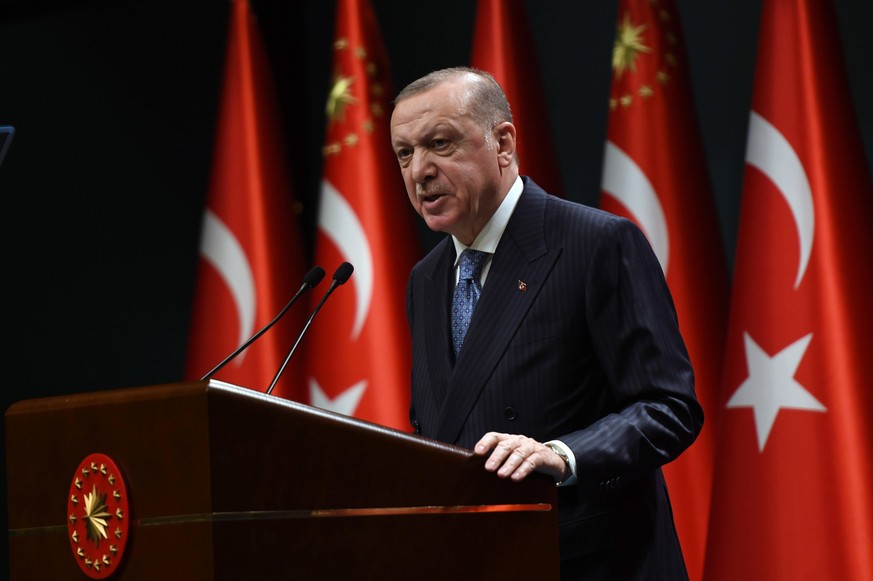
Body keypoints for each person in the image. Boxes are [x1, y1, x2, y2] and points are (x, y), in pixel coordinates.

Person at [389, 66, 703, 580]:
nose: (419, 170)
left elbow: (670, 408)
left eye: (439, 144)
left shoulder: (595, 243)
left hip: (591, 562)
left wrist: (562, 455)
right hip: (481, 561)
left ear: (503, 144)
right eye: (405, 153)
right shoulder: (426, 280)